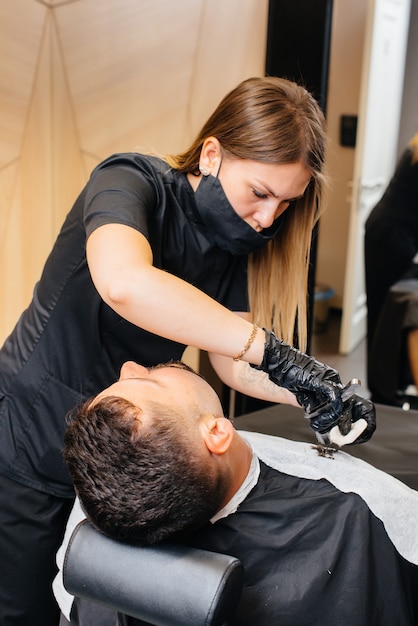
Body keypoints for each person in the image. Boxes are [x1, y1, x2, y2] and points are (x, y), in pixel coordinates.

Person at [0, 76, 375, 625]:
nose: (269, 220)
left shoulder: (236, 242)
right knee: (24, 607)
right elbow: (124, 282)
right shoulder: (128, 181)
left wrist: (315, 391)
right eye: (260, 193)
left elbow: (233, 366)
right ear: (213, 153)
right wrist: (275, 352)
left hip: (132, 452)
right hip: (33, 429)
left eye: (286, 203)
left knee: (100, 610)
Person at [56, 361, 415, 626]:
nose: (129, 366)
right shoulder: (359, 506)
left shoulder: (109, 494)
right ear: (217, 435)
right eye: (151, 383)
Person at [365, 131, 418, 406]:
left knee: (386, 316)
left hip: (390, 233)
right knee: (384, 318)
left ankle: (387, 390)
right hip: (389, 237)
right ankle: (383, 395)